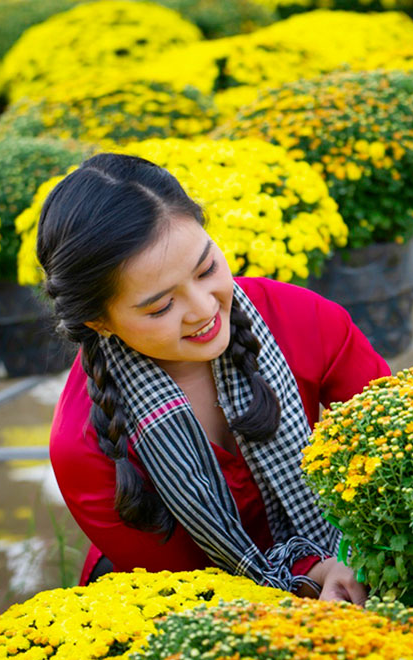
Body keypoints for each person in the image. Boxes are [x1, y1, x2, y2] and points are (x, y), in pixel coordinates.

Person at [37, 153, 389, 604]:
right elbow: (191, 590)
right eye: (161, 307)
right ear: (100, 322)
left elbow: (391, 448)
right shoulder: (84, 445)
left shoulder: (304, 319)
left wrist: (354, 551)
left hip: (351, 561)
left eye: (206, 270)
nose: (204, 309)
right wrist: (313, 573)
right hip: (187, 608)